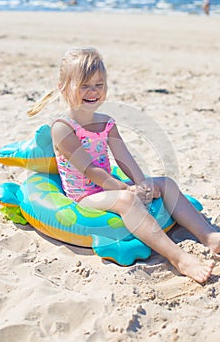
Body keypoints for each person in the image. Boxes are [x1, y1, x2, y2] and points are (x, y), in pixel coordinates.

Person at [28, 47, 219, 283]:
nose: (93, 91)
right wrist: (124, 189)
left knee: (166, 183)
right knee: (127, 200)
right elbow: (90, 169)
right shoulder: (62, 127)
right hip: (85, 195)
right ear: (63, 87)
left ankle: (210, 236)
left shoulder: (106, 122)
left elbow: (123, 157)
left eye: (99, 84)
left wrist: (142, 182)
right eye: (85, 85)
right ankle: (179, 258)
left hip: (108, 186)